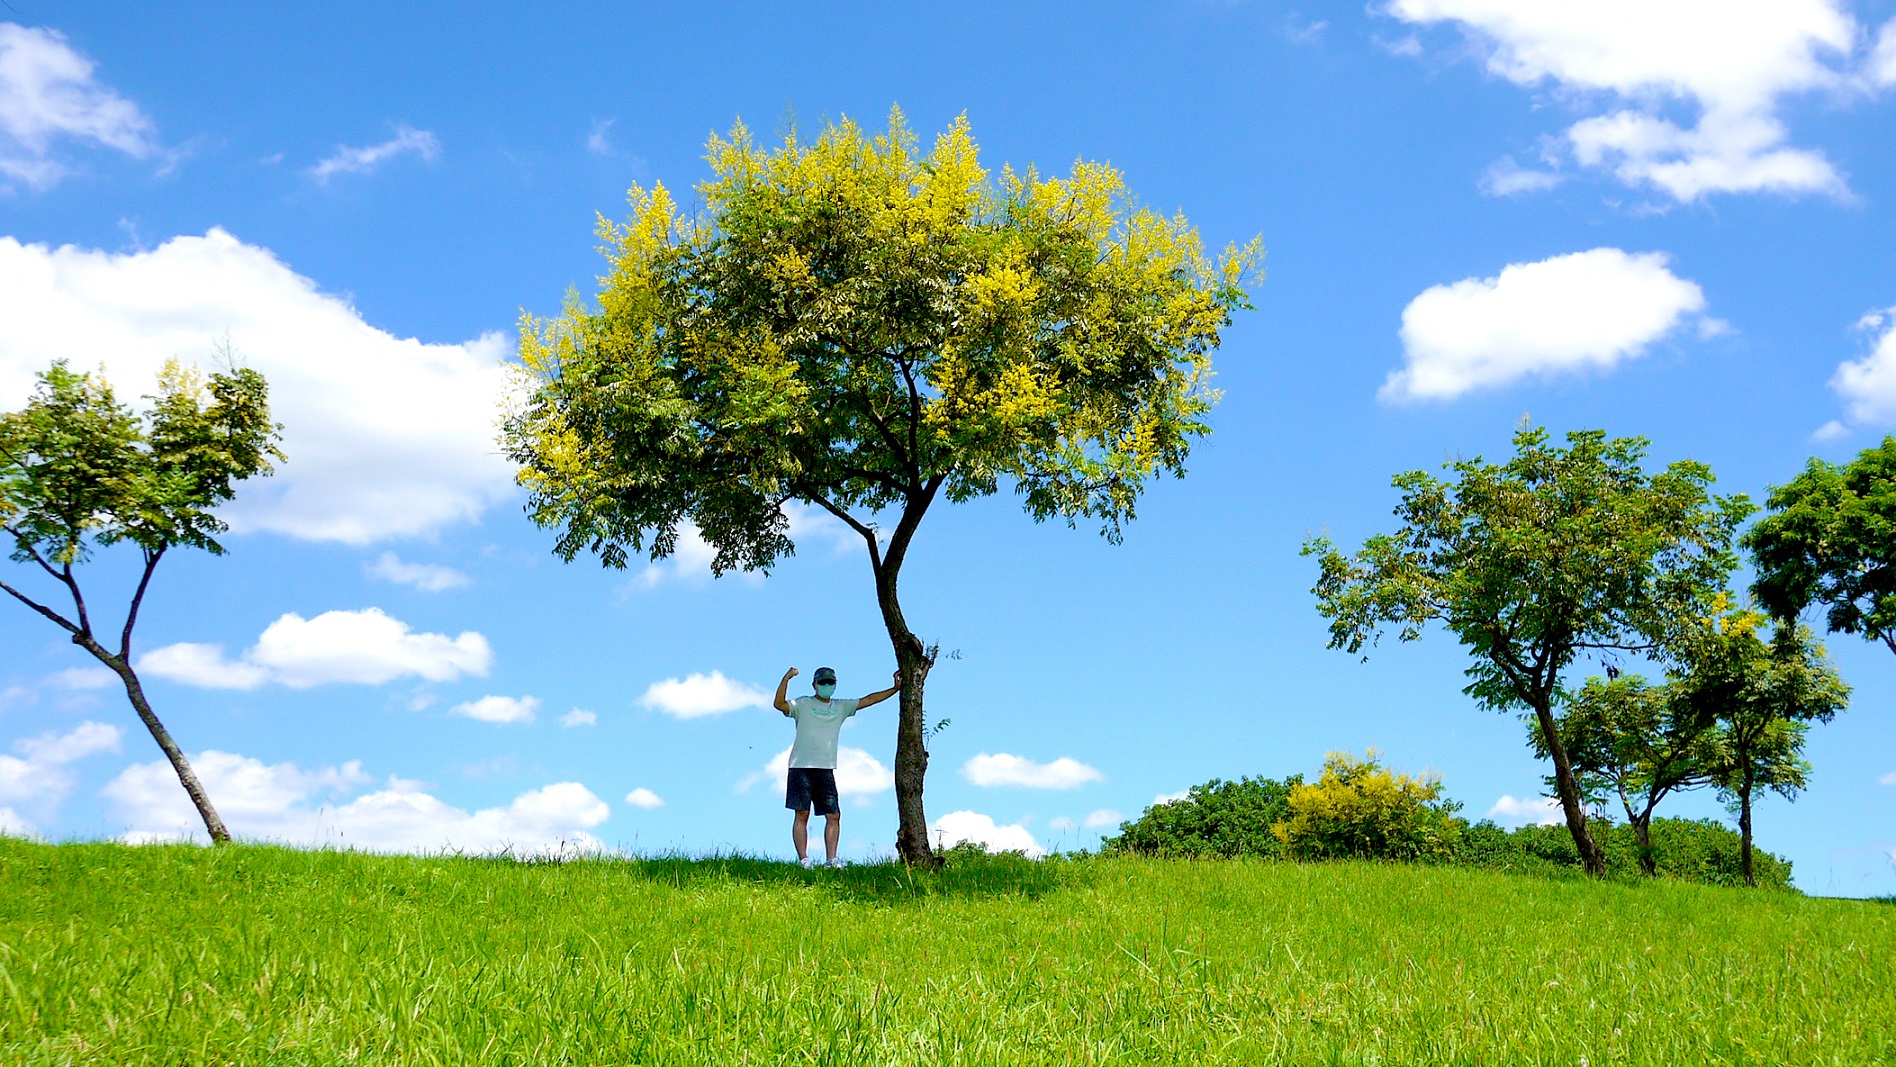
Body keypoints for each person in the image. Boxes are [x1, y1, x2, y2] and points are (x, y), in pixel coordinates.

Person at [773, 665, 900, 868]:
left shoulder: (840, 707)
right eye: (822, 682)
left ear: (835, 685)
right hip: (801, 766)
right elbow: (779, 704)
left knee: (833, 815)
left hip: (826, 768)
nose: (826, 685)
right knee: (802, 813)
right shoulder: (803, 704)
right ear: (814, 684)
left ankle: (831, 860)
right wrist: (786, 678)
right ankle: (804, 859)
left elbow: (869, 699)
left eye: (830, 682)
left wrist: (894, 689)